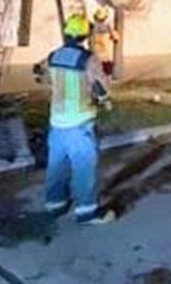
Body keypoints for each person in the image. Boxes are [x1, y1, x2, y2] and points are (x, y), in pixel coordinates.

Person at [36, 13, 116, 225]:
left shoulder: (53, 56)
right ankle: (87, 212)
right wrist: (105, 99)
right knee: (83, 167)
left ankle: (55, 204)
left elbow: (40, 74)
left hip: (57, 121)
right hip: (80, 122)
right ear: (85, 35)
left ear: (66, 33)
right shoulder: (88, 59)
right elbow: (100, 87)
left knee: (56, 165)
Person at [90, 7, 120, 80]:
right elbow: (114, 35)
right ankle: (108, 76)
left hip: (95, 50)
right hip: (104, 50)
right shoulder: (107, 25)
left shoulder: (94, 26)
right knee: (106, 61)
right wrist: (115, 38)